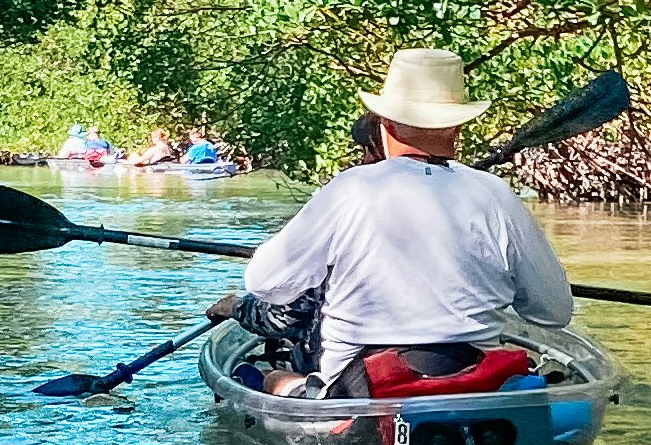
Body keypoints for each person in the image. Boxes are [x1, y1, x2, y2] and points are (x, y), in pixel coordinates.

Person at [217, 48, 575, 395]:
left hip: (364, 390)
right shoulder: (497, 193)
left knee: (274, 376)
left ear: (385, 125)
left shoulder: (351, 187)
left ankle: (287, 387)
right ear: (457, 127)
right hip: (474, 383)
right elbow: (554, 312)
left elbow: (264, 283)